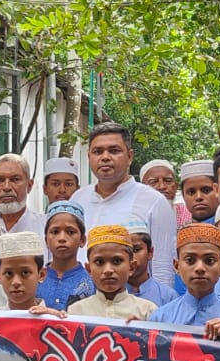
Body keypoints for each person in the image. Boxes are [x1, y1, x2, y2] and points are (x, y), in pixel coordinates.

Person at [73, 122, 177, 284]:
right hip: (77, 297)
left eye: (114, 151)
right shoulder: (78, 199)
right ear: (89, 157)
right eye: (98, 151)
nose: (105, 157)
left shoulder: (153, 201)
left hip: (132, 298)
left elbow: (162, 268)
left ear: (129, 156)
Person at [148, 224, 220, 335]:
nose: (200, 268)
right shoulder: (159, 319)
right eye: (190, 260)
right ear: (177, 266)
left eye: (209, 260)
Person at [68, 226, 157, 320]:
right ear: (89, 269)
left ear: (131, 267)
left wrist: (140, 328)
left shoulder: (147, 311)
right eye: (99, 262)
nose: (108, 270)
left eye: (117, 261)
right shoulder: (76, 312)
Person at [36, 201, 94, 310]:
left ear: (82, 240)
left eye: (70, 232)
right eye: (55, 232)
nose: (62, 238)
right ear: (46, 240)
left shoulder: (91, 281)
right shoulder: (35, 280)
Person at [0, 154, 45, 237]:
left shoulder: (46, 227)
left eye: (15, 179)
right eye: (0, 180)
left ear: (29, 185)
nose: (6, 187)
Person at [123, 218, 175, 306]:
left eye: (136, 250)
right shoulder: (110, 294)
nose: (131, 257)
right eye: (126, 251)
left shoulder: (167, 296)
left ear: (150, 252)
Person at [0, 232, 49, 313]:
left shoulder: (54, 319)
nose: (16, 282)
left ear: (41, 275)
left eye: (25, 273)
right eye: (8, 273)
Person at [139, 159, 191, 227]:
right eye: (153, 182)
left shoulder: (189, 214)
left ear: (176, 187)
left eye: (168, 180)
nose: (162, 187)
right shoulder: (135, 216)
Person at [177, 160, 219, 224]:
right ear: (183, 196)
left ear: (218, 191)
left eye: (206, 190)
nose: (198, 197)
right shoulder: (180, 229)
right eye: (191, 192)